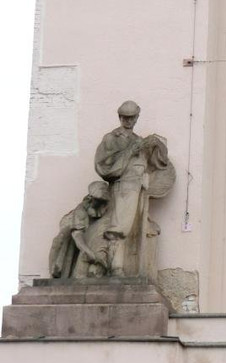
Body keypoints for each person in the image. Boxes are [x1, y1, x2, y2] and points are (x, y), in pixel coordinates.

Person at [93, 101, 175, 276]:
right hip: (123, 186)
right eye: (125, 117)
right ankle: (116, 268)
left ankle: (127, 267)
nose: (128, 121)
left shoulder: (139, 140)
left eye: (132, 117)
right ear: (120, 117)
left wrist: (155, 144)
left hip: (139, 188)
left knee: (133, 229)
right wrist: (131, 151)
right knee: (120, 227)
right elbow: (104, 166)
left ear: (137, 118)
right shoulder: (111, 138)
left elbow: (159, 163)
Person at [48, 181, 111, 278]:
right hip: (71, 229)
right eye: (98, 200)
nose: (100, 202)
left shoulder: (105, 207)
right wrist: (90, 253)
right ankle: (55, 270)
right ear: (91, 198)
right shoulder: (80, 211)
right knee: (59, 242)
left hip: (86, 232)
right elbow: (77, 236)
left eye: (102, 200)